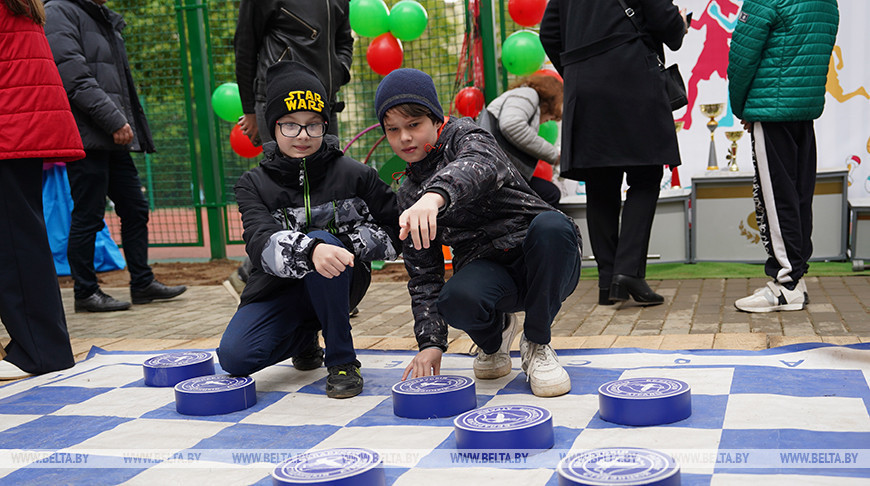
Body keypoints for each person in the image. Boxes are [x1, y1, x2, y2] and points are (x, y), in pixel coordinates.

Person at [376, 69, 582, 398]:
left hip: (541, 256)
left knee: (553, 226)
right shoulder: (408, 195)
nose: (404, 138)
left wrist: (436, 195)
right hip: (487, 270)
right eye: (393, 130)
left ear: (436, 119)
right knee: (455, 299)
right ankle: (496, 334)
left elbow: (479, 163)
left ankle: (537, 343)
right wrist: (431, 344)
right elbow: (424, 276)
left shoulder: (465, 134)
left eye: (414, 125)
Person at [217, 61, 400, 398]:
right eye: (290, 125)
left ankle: (342, 360)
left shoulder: (356, 175)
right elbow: (260, 241)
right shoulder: (253, 184)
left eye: (313, 125)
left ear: (325, 126)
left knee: (323, 240)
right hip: (277, 289)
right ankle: (304, 338)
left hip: (342, 281)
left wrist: (339, 245)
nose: (302, 136)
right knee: (234, 357)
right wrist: (310, 251)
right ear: (274, 126)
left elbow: (394, 229)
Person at [541, 0, 687, 307]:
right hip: (633, 77)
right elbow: (665, 21)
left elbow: (549, 34)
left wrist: (578, 65)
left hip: (585, 85)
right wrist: (680, 23)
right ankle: (627, 271)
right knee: (646, 176)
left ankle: (608, 282)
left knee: (600, 182)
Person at [44, 0, 187, 313]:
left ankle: (142, 282)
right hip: (87, 137)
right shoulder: (59, 11)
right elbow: (74, 77)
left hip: (110, 137)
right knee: (88, 215)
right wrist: (114, 119)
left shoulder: (102, 18)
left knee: (135, 208)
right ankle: (85, 292)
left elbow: (118, 82)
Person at [729, 0, 838, 312]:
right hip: (804, 109)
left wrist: (742, 108)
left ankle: (785, 284)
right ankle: (796, 278)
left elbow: (742, 57)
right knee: (799, 197)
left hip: (770, 107)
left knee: (776, 199)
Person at [0, 0, 83, 379]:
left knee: (16, 246)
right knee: (20, 241)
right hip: (19, 123)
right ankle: (41, 347)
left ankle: (40, 352)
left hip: (11, 127)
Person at [234, 0, 354, 144]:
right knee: (285, 167)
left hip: (324, 107)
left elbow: (344, 43)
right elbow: (245, 48)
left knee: (329, 166)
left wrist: (338, 74)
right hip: (280, 108)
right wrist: (249, 110)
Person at [480, 74, 563, 208]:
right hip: (495, 173)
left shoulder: (521, 96)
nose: (547, 121)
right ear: (551, 100)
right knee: (549, 194)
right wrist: (553, 154)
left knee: (547, 192)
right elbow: (511, 125)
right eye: (550, 117)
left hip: (494, 172)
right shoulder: (528, 94)